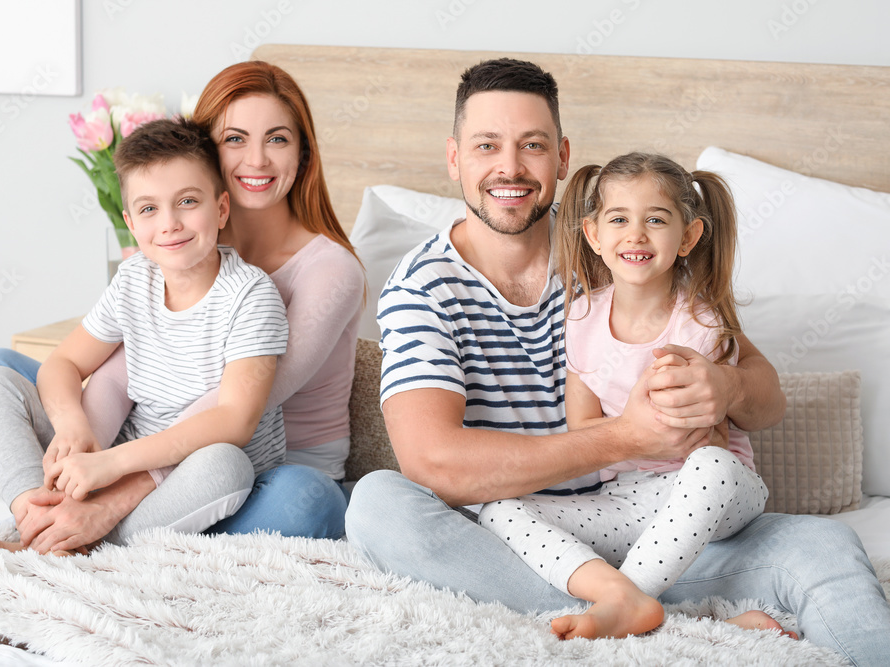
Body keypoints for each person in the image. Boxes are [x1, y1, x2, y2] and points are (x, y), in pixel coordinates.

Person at [345, 58, 890, 665]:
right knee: (378, 505)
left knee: (823, 544)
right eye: (486, 146)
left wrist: (726, 388)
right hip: (529, 540)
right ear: (455, 158)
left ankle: (635, 603)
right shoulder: (423, 287)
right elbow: (435, 464)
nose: (510, 167)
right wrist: (628, 434)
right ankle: (663, 613)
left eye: (533, 145)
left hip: (680, 529)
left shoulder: (619, 240)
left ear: (562, 156)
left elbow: (765, 396)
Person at [0, 61, 365, 552]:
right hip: (156, 439)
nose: (256, 159)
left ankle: (96, 533)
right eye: (235, 139)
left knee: (308, 502)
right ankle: (41, 518)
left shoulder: (327, 271)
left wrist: (108, 489)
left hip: (267, 467)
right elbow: (127, 369)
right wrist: (79, 433)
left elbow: (234, 411)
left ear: (303, 154)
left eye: (277, 139)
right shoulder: (175, 251)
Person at [478, 152, 769, 640]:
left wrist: (652, 428)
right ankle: (642, 606)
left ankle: (627, 604)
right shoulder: (582, 318)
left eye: (656, 220)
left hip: (713, 493)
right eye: (619, 219)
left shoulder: (700, 324)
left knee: (711, 467)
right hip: (628, 499)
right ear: (594, 235)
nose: (636, 235)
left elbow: (703, 442)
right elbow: (582, 430)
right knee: (497, 506)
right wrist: (634, 431)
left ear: (689, 237)